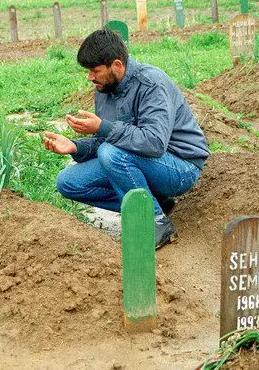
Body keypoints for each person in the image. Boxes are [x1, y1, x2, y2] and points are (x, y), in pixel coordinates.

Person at [43, 29, 209, 250]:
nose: (90, 77)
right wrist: (75, 146)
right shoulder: (104, 88)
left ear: (117, 65)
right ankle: (153, 203)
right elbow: (107, 139)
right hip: (139, 160)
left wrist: (103, 127)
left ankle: (156, 224)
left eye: (95, 70)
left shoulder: (152, 84)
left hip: (180, 166)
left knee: (111, 153)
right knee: (68, 182)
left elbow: (154, 143)